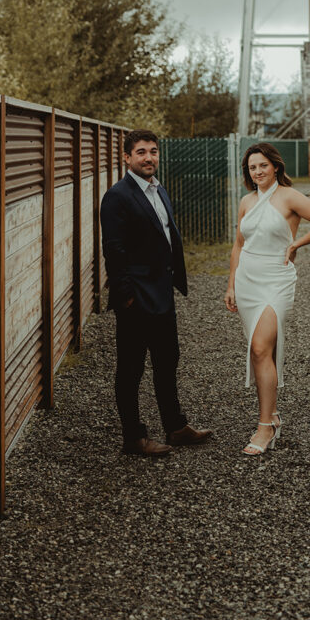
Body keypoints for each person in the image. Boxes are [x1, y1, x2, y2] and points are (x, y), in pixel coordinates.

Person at [100, 129, 212, 456]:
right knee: (131, 370)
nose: (148, 157)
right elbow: (113, 251)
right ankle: (134, 438)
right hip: (136, 299)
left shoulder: (158, 190)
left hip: (162, 295)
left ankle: (175, 427)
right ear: (127, 157)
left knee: (167, 362)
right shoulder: (118, 196)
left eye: (153, 151)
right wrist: (127, 297)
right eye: (141, 152)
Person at [224, 143, 310, 456]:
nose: (257, 172)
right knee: (262, 353)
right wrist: (231, 283)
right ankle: (270, 415)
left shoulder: (289, 196)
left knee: (260, 347)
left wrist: (296, 244)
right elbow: (238, 245)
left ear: (275, 166)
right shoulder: (246, 201)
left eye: (262, 166)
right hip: (247, 279)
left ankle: (264, 427)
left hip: (276, 279)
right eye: (252, 168)